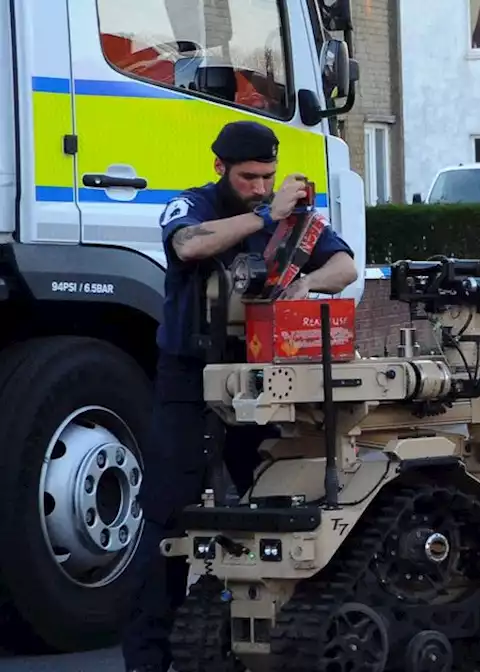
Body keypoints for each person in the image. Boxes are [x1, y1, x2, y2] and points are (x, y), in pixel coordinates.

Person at [121, 120, 359, 672]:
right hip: (190, 380)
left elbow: (344, 264)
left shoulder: (291, 215)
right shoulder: (195, 205)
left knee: (275, 505)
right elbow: (188, 246)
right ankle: (149, 659)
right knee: (166, 518)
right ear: (220, 169)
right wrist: (263, 214)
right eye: (249, 177)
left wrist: (307, 284)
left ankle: (261, 643)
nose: (260, 185)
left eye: (268, 177)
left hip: (262, 381)